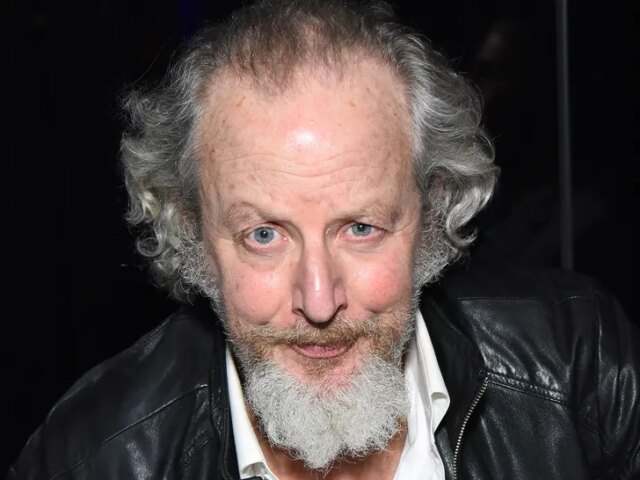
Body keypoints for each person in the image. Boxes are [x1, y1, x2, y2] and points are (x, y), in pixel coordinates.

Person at [9, 0, 639, 478]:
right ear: (193, 238)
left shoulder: (577, 365)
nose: (318, 301)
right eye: (264, 235)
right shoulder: (91, 458)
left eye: (361, 228)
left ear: (432, 216)